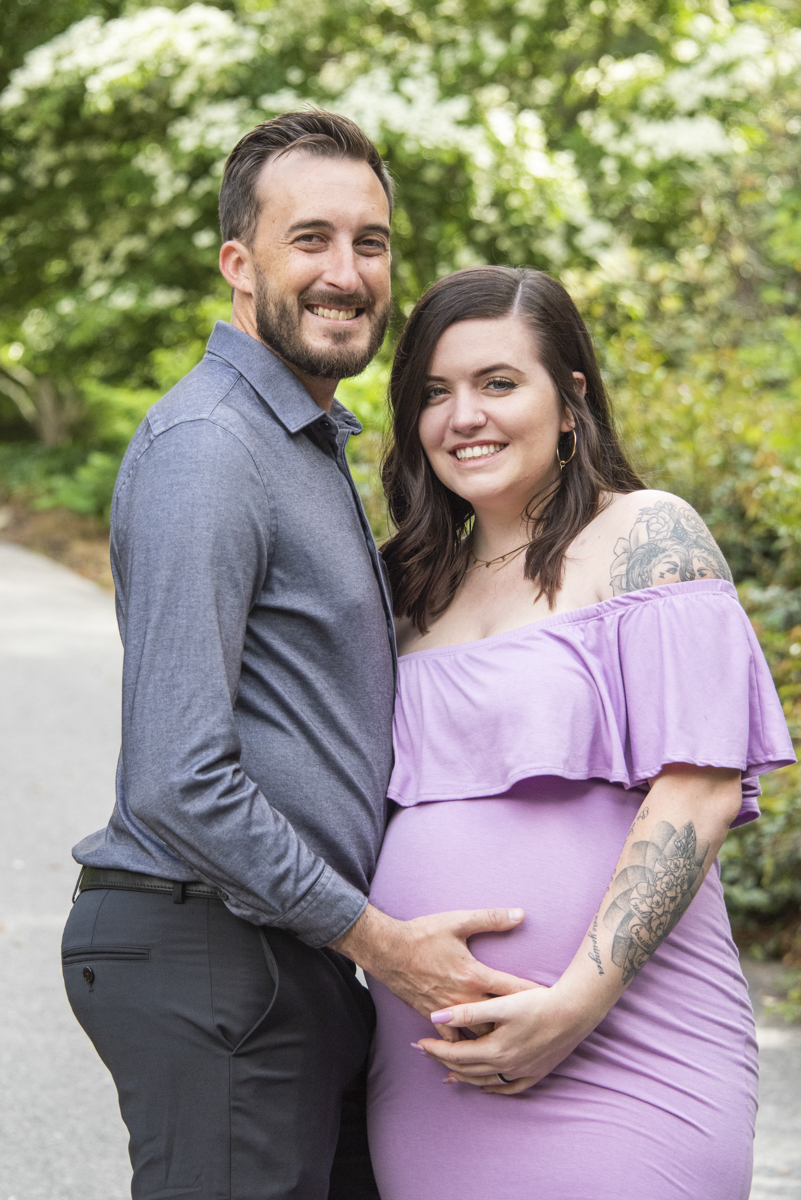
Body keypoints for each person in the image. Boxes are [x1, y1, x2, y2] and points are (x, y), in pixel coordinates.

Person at [61, 115, 531, 1200]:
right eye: (309, 238)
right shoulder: (211, 449)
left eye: (370, 242)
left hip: (284, 957)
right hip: (210, 948)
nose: (345, 271)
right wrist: (387, 942)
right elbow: (178, 779)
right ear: (240, 264)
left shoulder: (304, 445)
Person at [366, 266, 795, 1200]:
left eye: (496, 383)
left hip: (626, 1044)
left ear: (569, 401)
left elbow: (700, 788)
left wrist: (571, 1008)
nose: (462, 416)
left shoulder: (645, 537)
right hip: (431, 1070)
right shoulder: (398, 585)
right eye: (433, 393)